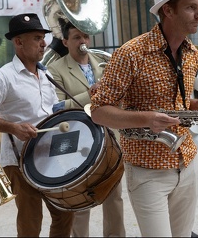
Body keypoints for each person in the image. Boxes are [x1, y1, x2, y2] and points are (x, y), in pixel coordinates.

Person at [89, 0, 198, 237]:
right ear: (168, 10)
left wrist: (192, 105)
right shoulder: (130, 53)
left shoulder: (192, 53)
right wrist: (148, 119)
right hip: (147, 171)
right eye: (191, 8)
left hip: (188, 161)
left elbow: (170, 101)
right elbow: (99, 111)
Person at [0, 13, 74, 237]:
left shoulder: (46, 75)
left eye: (43, 37)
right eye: (37, 38)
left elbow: (51, 110)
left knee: (64, 214)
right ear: (18, 42)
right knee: (30, 222)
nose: (43, 43)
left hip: (52, 156)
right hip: (20, 160)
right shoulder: (3, 77)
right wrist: (12, 127)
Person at [47, 20, 126, 237]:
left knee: (114, 196)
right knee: (80, 201)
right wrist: (90, 94)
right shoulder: (55, 69)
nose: (83, 41)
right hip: (79, 140)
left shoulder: (103, 62)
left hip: (110, 137)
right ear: (65, 41)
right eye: (76, 38)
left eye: (85, 37)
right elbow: (57, 107)